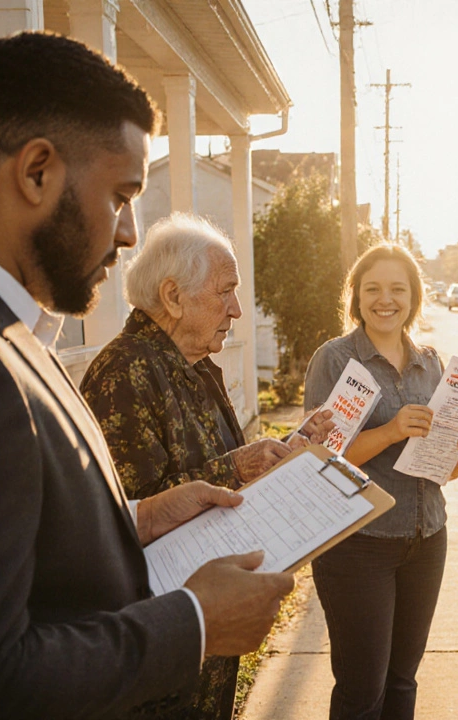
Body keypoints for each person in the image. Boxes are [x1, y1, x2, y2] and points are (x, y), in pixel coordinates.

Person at [0, 34, 294, 718]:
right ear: (36, 174)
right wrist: (195, 624)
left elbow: (13, 552)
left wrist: (138, 520)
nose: (129, 233)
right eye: (120, 195)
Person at [80, 212, 334, 719]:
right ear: (173, 297)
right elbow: (128, 523)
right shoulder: (127, 373)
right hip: (163, 654)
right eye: (225, 291)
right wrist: (235, 468)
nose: (237, 309)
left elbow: (215, 468)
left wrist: (283, 450)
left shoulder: (189, 364)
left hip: (202, 639)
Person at [302, 244, 458, 720]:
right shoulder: (335, 360)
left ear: (414, 297)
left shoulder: (430, 362)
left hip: (426, 539)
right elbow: (320, 458)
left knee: (403, 682)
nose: (385, 300)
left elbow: (436, 470)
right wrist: (389, 431)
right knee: (363, 691)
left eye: (397, 289)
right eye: (373, 289)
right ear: (356, 297)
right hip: (359, 544)